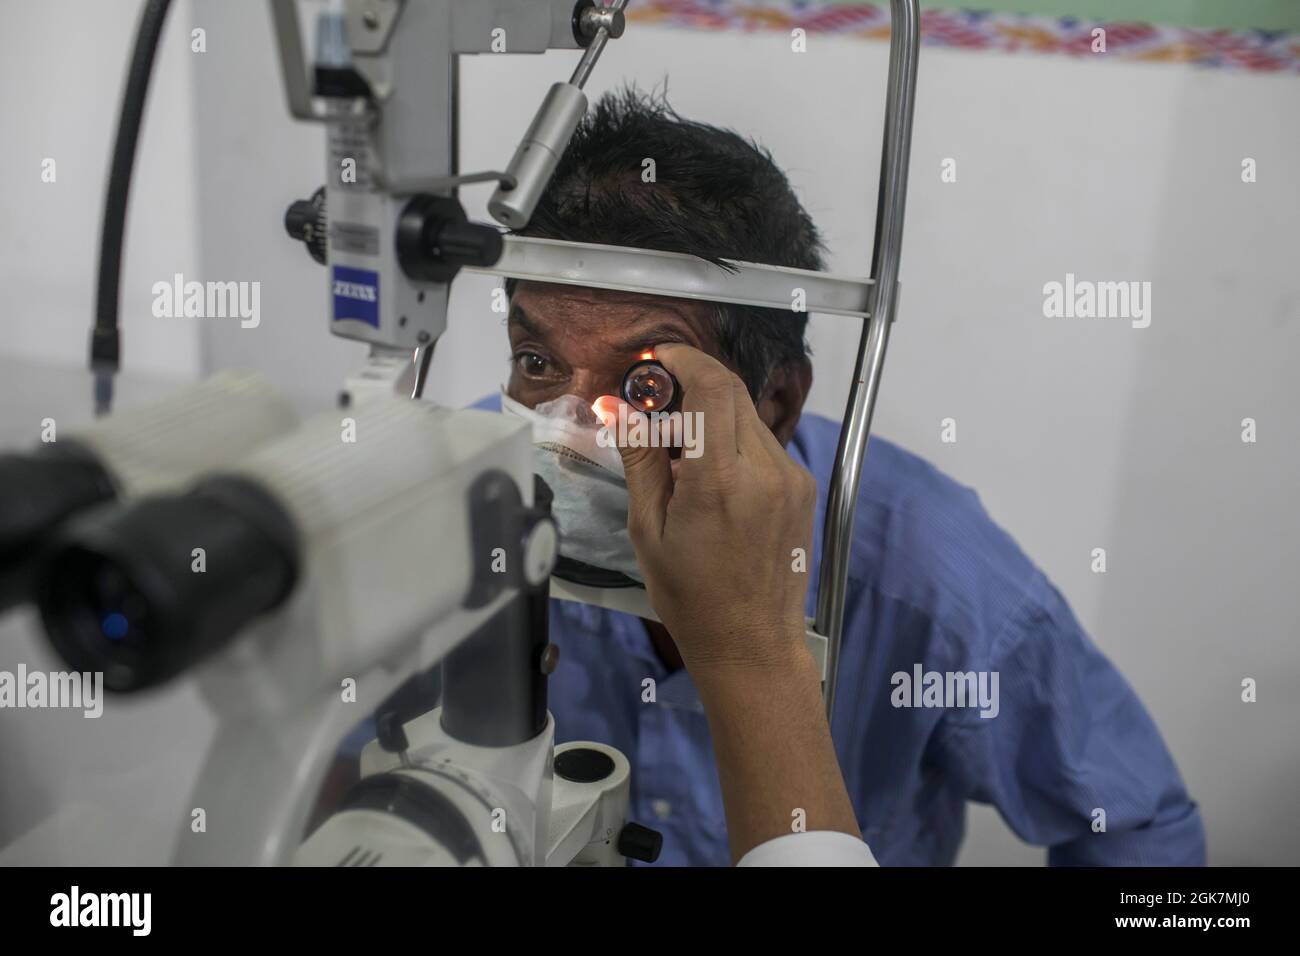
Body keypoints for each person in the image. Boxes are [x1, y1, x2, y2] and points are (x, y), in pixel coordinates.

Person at [478, 87, 1205, 867]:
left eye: (647, 388)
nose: (571, 429)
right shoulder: (463, 498)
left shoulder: (931, 578)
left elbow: (1139, 829)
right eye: (538, 362)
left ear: (778, 402)